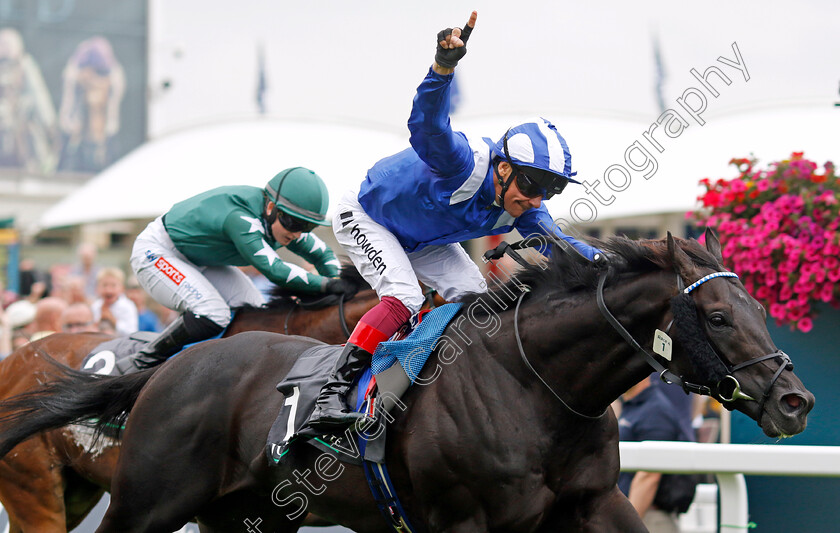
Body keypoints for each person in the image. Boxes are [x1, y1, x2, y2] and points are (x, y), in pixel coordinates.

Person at [307, 11, 602, 430]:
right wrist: (443, 67)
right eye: (533, 184)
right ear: (502, 168)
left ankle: (426, 382)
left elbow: (562, 244)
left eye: (550, 191)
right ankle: (331, 392)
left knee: (475, 298)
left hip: (422, 239)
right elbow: (426, 124)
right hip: (367, 216)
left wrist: (608, 263)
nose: (536, 199)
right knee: (405, 297)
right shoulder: (460, 162)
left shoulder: (526, 204)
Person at [116, 166, 353, 374]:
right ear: (271, 207)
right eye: (294, 222)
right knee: (213, 312)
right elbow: (274, 270)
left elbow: (323, 255)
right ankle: (138, 363)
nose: (297, 233)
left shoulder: (282, 223)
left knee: (260, 313)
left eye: (308, 226)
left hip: (200, 259)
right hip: (158, 251)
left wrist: (337, 279)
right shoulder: (241, 219)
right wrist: (327, 285)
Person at [618, 375, 696, 532]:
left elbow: (649, 476)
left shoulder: (656, 411)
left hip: (649, 518)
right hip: (634, 516)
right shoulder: (632, 406)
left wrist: (625, 528)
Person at [91, 267, 139, 337]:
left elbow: (132, 333)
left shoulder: (128, 306)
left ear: (122, 288)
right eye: (104, 285)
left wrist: (113, 320)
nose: (108, 290)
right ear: (98, 288)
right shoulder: (95, 306)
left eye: (113, 285)